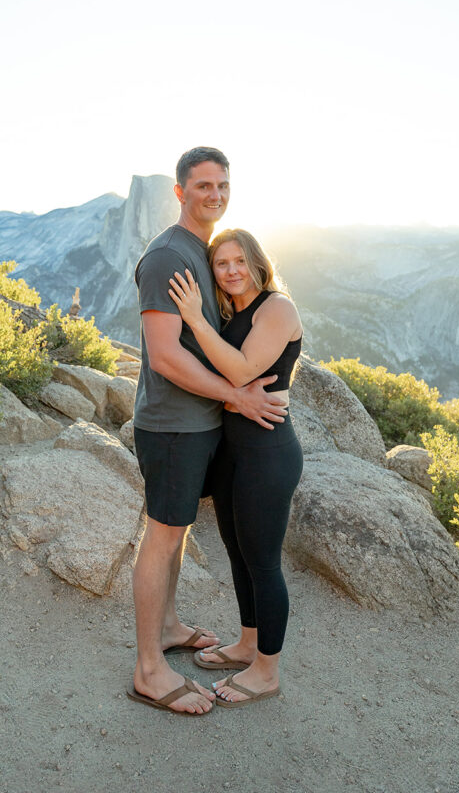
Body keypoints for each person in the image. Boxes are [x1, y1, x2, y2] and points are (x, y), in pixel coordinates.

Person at [128, 149, 288, 716]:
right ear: (179, 192)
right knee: (164, 538)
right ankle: (150, 669)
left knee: (178, 534)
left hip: (199, 427)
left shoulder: (204, 249)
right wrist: (238, 396)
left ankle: (168, 625)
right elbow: (166, 357)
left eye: (222, 184)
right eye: (202, 186)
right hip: (173, 426)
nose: (214, 194)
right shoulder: (170, 255)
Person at [167, 227, 303, 707]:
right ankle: (248, 642)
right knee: (239, 553)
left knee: (263, 562)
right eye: (221, 264)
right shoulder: (234, 312)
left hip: (268, 452)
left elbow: (243, 370)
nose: (230, 271)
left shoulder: (277, 308)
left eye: (238, 261)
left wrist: (193, 318)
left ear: (256, 261)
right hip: (233, 451)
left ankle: (267, 670)